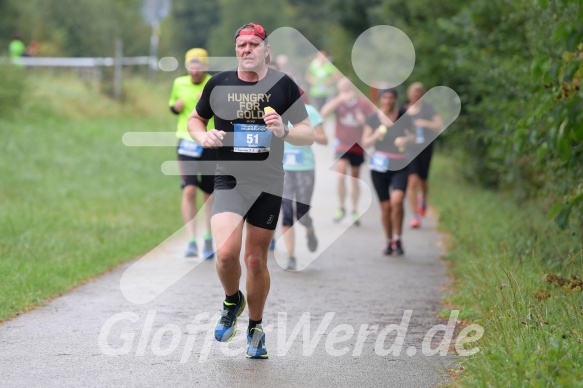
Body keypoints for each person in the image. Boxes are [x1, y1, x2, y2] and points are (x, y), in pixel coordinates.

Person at [187, 23, 314, 359]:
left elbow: (308, 133)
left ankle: (255, 327)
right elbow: (195, 119)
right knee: (227, 254)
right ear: (236, 50)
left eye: (254, 44)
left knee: (255, 260)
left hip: (268, 182)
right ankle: (232, 301)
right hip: (229, 178)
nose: (247, 49)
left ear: (266, 50)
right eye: (241, 44)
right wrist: (202, 137)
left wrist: (284, 130)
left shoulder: (283, 86)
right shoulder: (219, 84)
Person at [169, 48, 216, 259]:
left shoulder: (214, 83)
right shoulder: (179, 83)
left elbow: (225, 110)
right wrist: (175, 107)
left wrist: (209, 102)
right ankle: (190, 240)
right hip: (186, 141)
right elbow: (173, 104)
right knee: (189, 190)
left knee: (209, 193)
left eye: (199, 65)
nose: (195, 70)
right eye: (191, 65)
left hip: (209, 142)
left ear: (205, 67)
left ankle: (208, 237)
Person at [362, 89, 415, 255]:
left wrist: (405, 139)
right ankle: (389, 241)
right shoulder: (372, 119)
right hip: (379, 167)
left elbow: (414, 136)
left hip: (399, 164)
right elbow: (365, 142)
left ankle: (398, 238)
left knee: (397, 201)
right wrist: (376, 135)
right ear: (380, 100)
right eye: (384, 97)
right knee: (385, 208)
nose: (388, 100)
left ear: (396, 99)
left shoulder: (404, 116)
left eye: (391, 97)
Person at [281, 93, 328, 270]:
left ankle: (309, 229)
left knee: (302, 214)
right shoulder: (275, 112)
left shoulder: (310, 112)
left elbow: (324, 140)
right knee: (286, 212)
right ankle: (291, 256)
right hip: (283, 169)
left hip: (304, 168)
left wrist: (304, 134)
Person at [321, 77, 374, 225]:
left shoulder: (362, 103)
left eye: (347, 89)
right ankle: (341, 207)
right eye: (342, 89)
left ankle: (355, 210)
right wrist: (339, 99)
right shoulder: (338, 102)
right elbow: (324, 113)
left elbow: (373, 123)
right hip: (341, 144)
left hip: (357, 145)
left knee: (355, 177)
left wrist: (363, 121)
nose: (345, 92)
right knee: (340, 173)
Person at [403, 82, 442, 228]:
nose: (415, 95)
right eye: (413, 93)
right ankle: (415, 215)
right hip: (410, 149)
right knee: (412, 181)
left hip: (425, 148)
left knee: (423, 181)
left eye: (418, 93)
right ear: (409, 94)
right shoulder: (404, 109)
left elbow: (439, 125)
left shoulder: (428, 109)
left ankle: (423, 198)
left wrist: (425, 123)